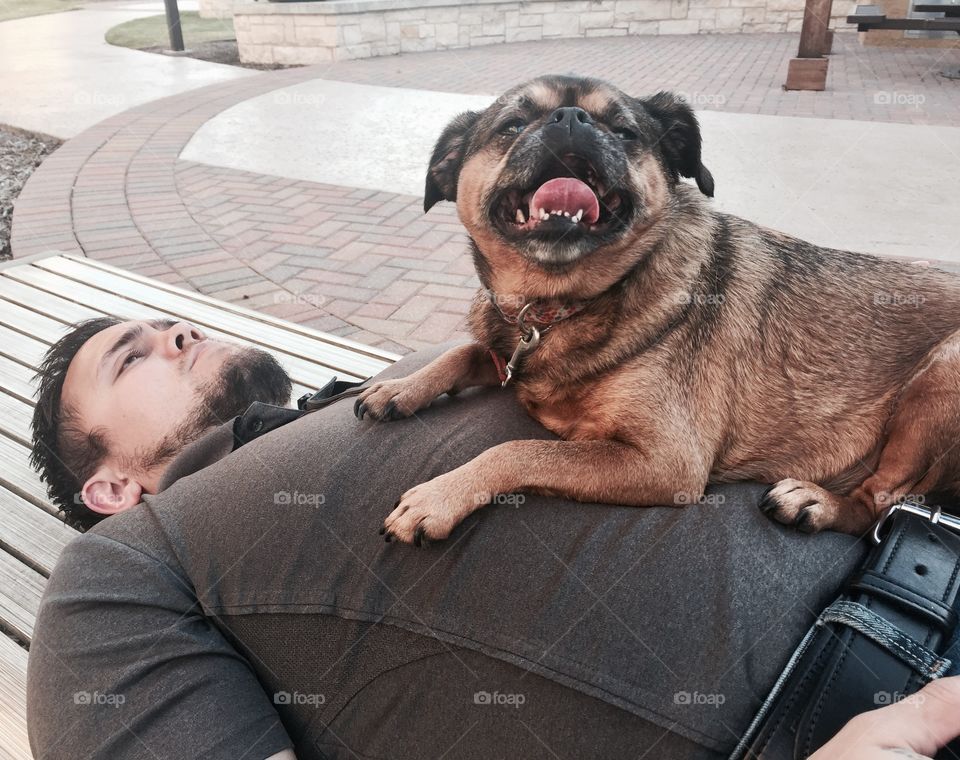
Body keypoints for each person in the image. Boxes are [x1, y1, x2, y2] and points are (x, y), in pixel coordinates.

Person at [25, 318, 960, 759]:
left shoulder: (381, 394)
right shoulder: (109, 583)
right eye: (132, 357)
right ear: (110, 487)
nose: (175, 335)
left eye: (169, 325)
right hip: (864, 709)